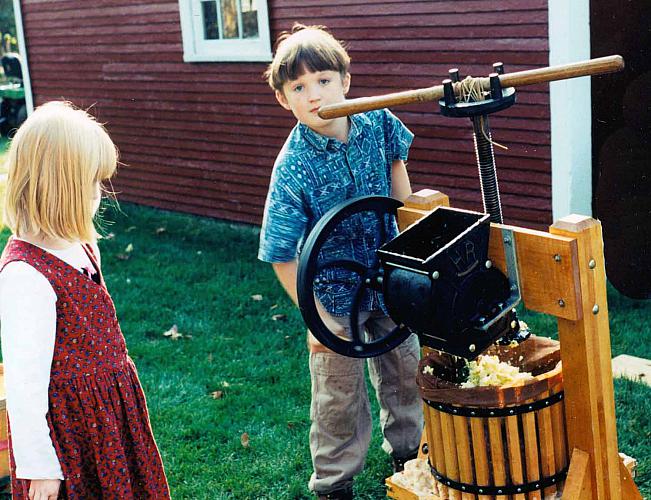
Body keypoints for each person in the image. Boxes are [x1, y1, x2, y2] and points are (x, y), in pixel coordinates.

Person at [258, 24, 423, 500]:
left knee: (405, 372)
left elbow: (401, 192)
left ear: (346, 81)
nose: (314, 95)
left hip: (390, 279)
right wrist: (313, 317)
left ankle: (410, 455)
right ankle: (334, 483)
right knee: (337, 397)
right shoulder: (292, 167)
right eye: (299, 87)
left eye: (324, 80)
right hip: (331, 297)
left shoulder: (378, 121)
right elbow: (281, 253)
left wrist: (410, 255)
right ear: (284, 100)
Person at [0, 101, 170, 499]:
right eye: (92, 183)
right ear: (61, 188)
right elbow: (25, 387)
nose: (100, 193)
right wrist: (40, 466)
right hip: (71, 433)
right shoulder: (25, 275)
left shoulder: (81, 243)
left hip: (109, 413)